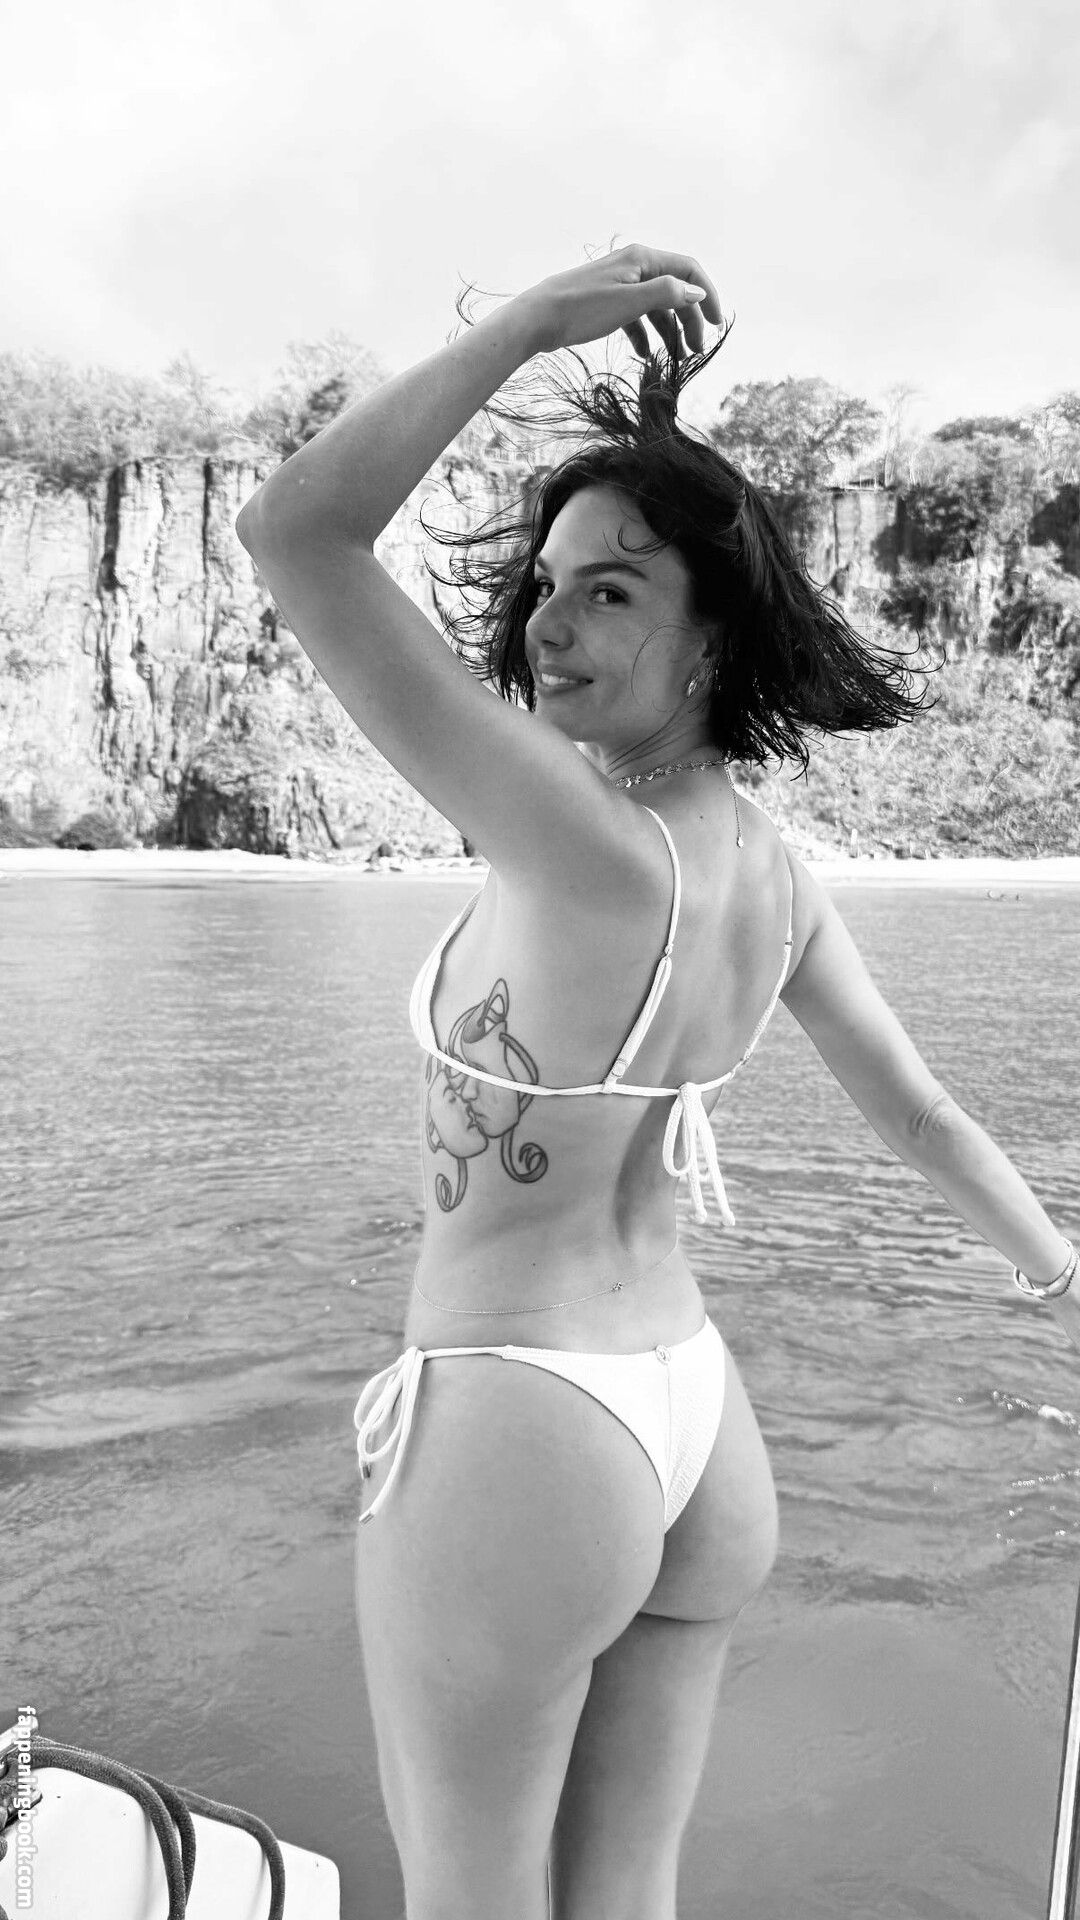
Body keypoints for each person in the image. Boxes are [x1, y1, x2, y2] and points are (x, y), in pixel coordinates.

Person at [235, 244, 1079, 1920]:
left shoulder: (573, 833)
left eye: (612, 590)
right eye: (546, 583)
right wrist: (1060, 1274)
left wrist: (532, 323)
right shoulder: (775, 873)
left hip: (524, 1418)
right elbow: (922, 1118)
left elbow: (295, 534)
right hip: (694, 1429)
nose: (547, 623)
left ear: (711, 639)